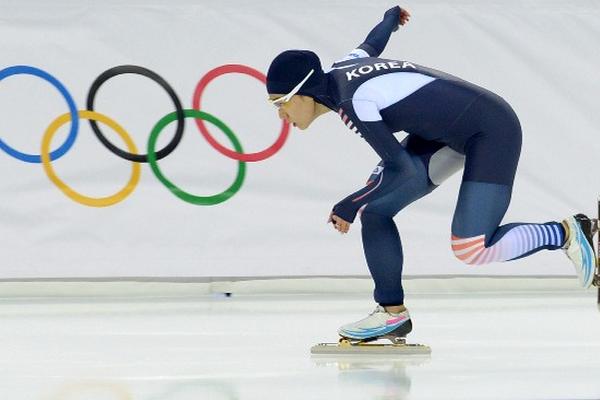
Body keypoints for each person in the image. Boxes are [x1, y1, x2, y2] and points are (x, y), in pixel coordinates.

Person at [265, 6, 597, 342]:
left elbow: (404, 170)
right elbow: (371, 45)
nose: (280, 114)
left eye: (280, 102)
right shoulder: (341, 68)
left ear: (303, 93)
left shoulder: (354, 102)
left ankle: (566, 232)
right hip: (446, 132)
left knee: (471, 248)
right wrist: (390, 20)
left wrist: (349, 203)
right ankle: (392, 314)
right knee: (376, 211)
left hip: (491, 130)